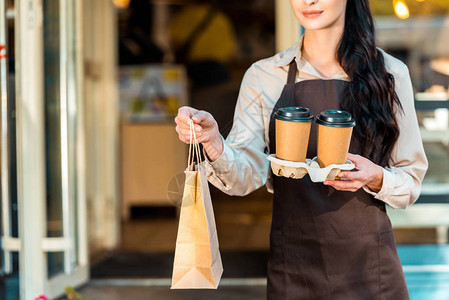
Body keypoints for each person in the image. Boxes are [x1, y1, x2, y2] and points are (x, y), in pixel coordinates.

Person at [175, 0, 428, 298]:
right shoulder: (264, 76)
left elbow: (410, 182)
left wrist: (374, 177)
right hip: (294, 269)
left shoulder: (388, 74)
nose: (309, 0)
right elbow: (245, 178)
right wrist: (214, 142)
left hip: (371, 273)